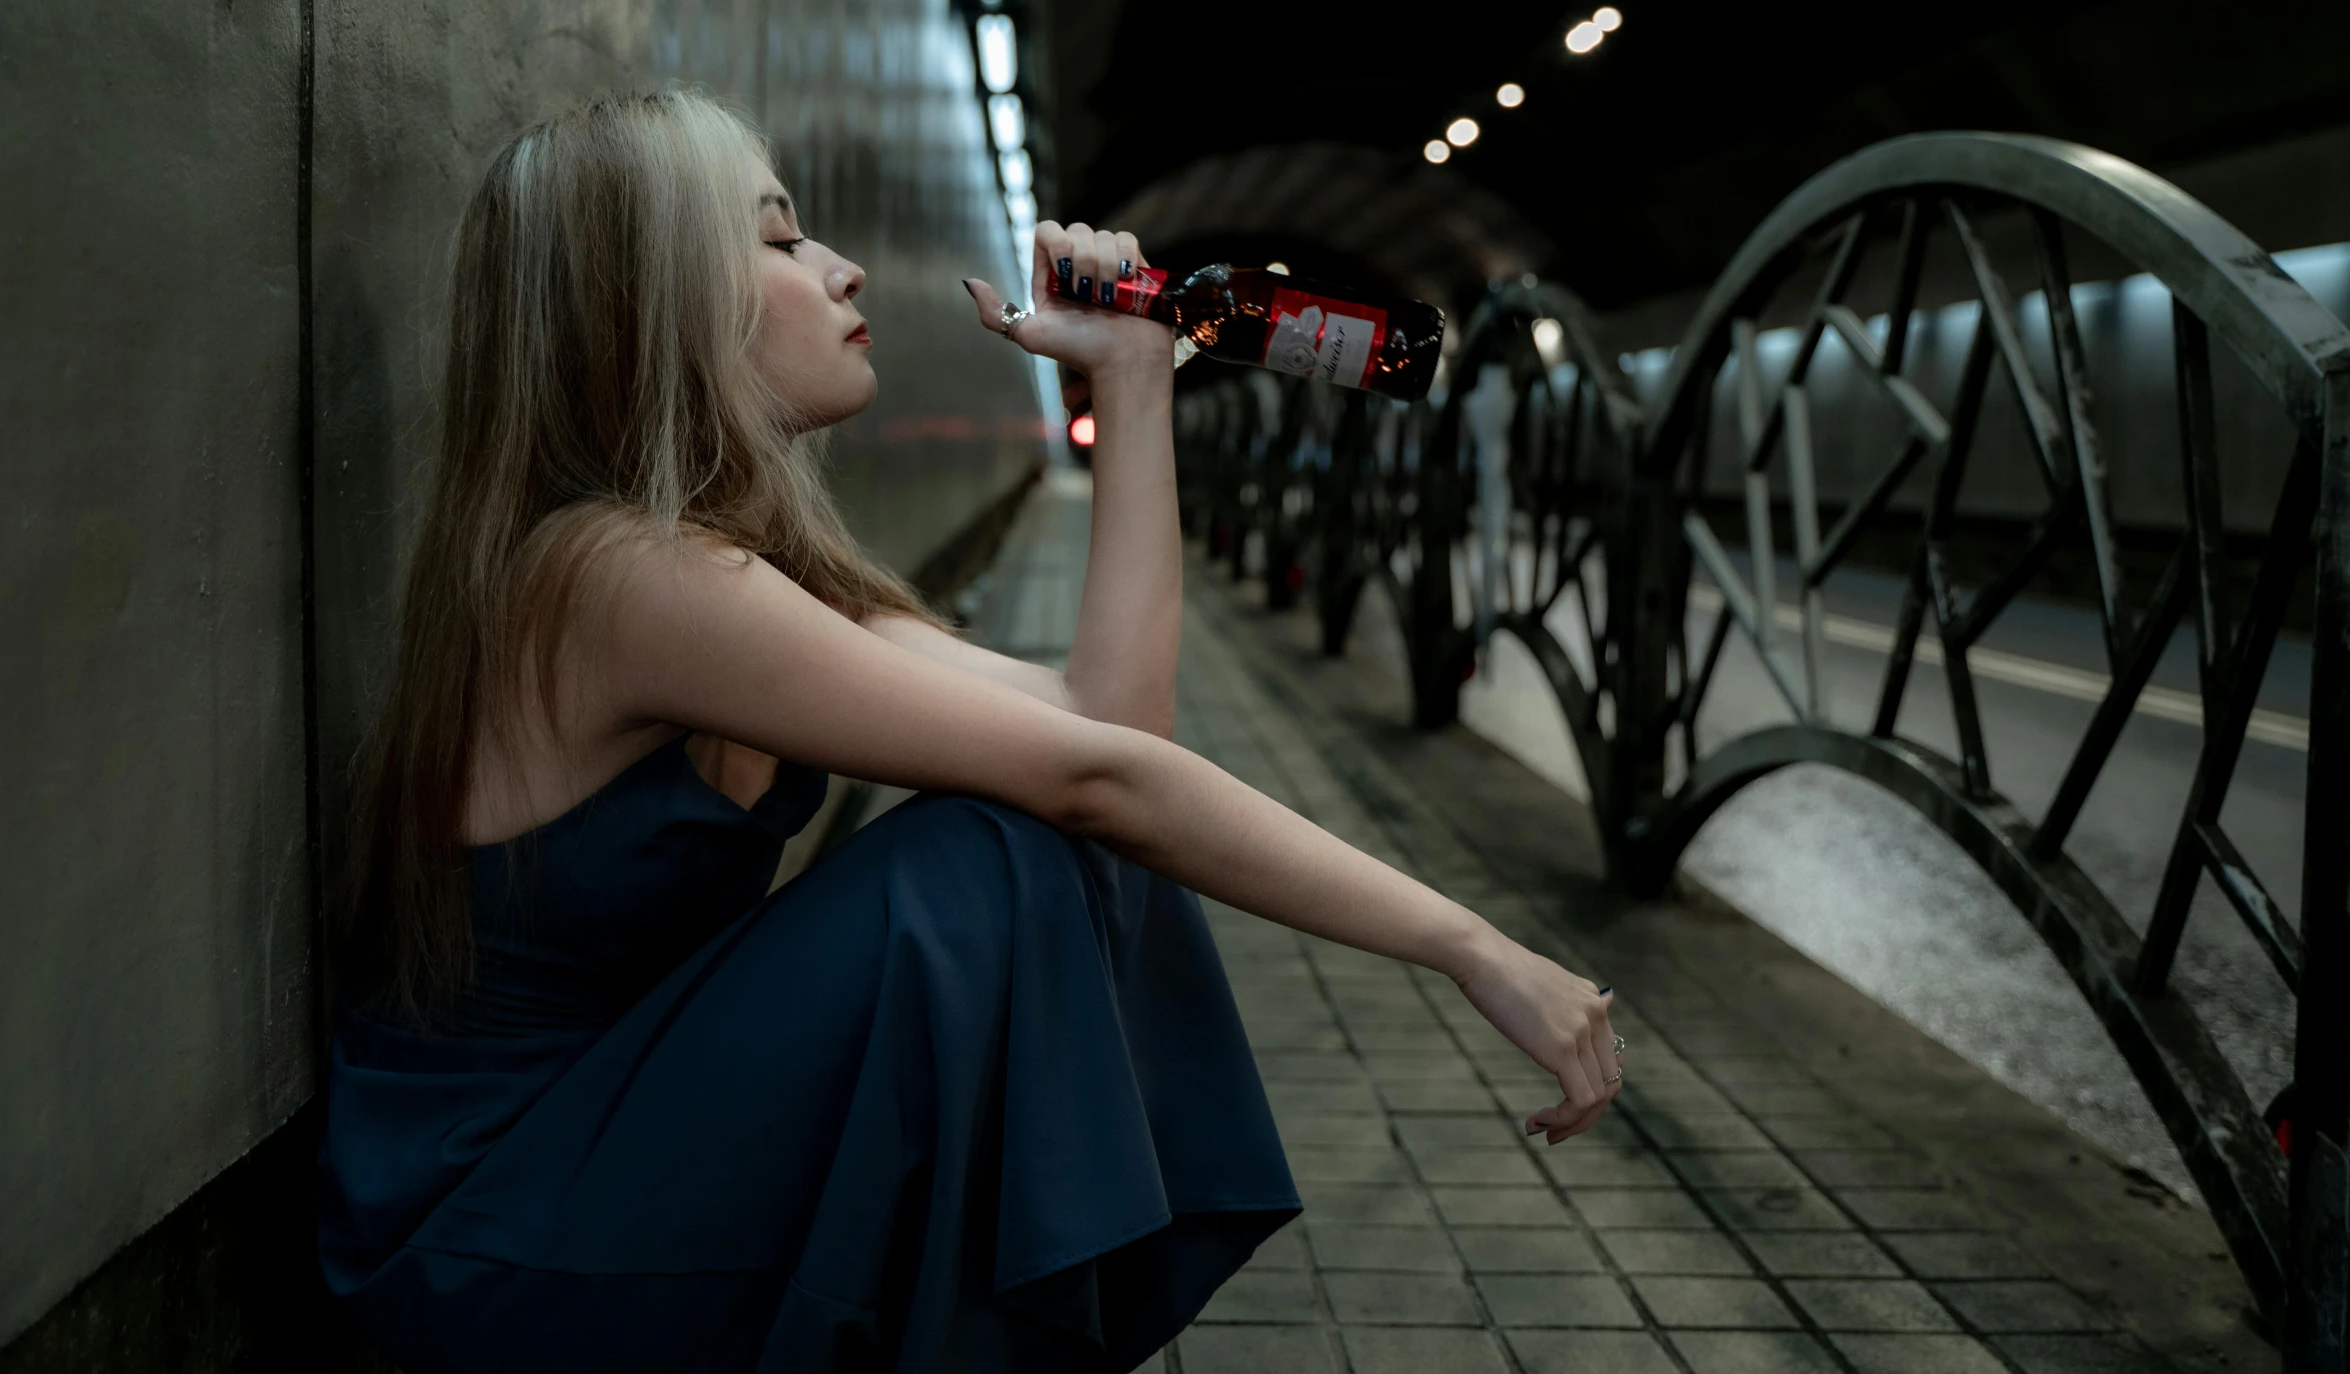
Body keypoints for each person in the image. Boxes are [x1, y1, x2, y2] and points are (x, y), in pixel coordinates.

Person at [316, 88, 1621, 1373]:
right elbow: (1102, 774)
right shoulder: (618, 577)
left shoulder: (742, 573)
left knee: (1040, 826)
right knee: (987, 855)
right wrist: (1467, 943)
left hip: (623, 1148)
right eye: (779, 240)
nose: (843, 265)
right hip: (493, 1236)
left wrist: (1131, 377)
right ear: (643, 303)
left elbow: (1109, 723)